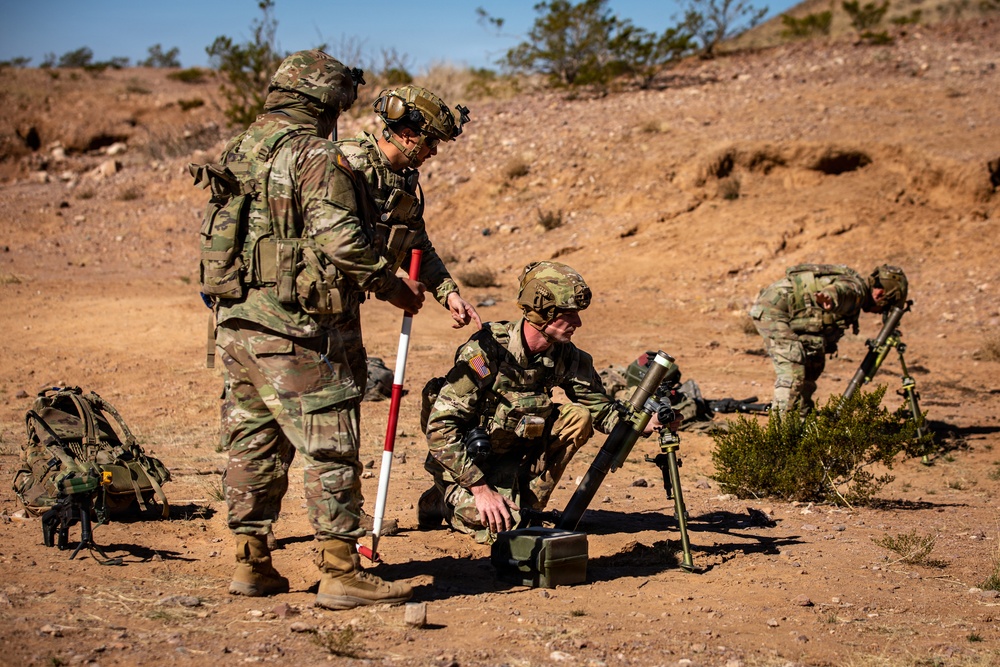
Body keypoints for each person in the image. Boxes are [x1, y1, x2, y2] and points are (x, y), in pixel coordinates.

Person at [209, 50, 425, 610]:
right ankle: (341, 572)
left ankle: (251, 564)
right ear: (325, 101)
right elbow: (341, 240)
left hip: (236, 322)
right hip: (297, 328)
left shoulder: (242, 148)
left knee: (253, 442)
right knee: (330, 444)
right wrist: (393, 286)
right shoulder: (315, 154)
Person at [420, 261, 662, 543]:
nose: (578, 323)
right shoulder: (486, 352)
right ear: (542, 312)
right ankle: (441, 499)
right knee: (499, 529)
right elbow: (440, 428)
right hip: (468, 464)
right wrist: (480, 490)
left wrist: (646, 422)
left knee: (577, 418)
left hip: (514, 454)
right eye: (569, 314)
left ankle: (529, 505)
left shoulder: (565, 355)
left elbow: (603, 412)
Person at [336, 85, 481, 330]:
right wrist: (392, 288)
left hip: (344, 305)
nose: (434, 151)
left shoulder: (400, 181)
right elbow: (337, 239)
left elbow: (417, 245)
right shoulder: (350, 163)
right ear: (406, 135)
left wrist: (449, 294)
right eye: (431, 141)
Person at [749, 263, 908, 415]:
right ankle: (782, 430)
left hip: (785, 311)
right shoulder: (857, 291)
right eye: (884, 308)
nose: (880, 312)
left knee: (812, 365)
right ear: (880, 294)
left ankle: (801, 420)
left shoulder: (855, 287)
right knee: (793, 369)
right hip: (774, 310)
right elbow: (842, 291)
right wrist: (829, 297)